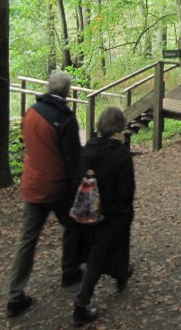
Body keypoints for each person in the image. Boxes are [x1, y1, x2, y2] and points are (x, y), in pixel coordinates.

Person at [6, 71, 83, 318]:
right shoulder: (65, 118)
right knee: (74, 225)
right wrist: (78, 189)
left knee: (27, 240)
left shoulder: (30, 112)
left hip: (32, 184)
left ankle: (15, 295)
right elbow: (73, 159)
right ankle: (70, 270)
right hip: (57, 186)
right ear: (67, 92)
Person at [72, 107, 136, 326]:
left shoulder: (88, 149)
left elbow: (79, 179)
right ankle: (80, 305)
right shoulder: (121, 154)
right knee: (99, 256)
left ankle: (121, 273)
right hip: (112, 212)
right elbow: (127, 190)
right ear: (120, 126)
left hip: (89, 210)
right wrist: (124, 209)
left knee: (106, 247)